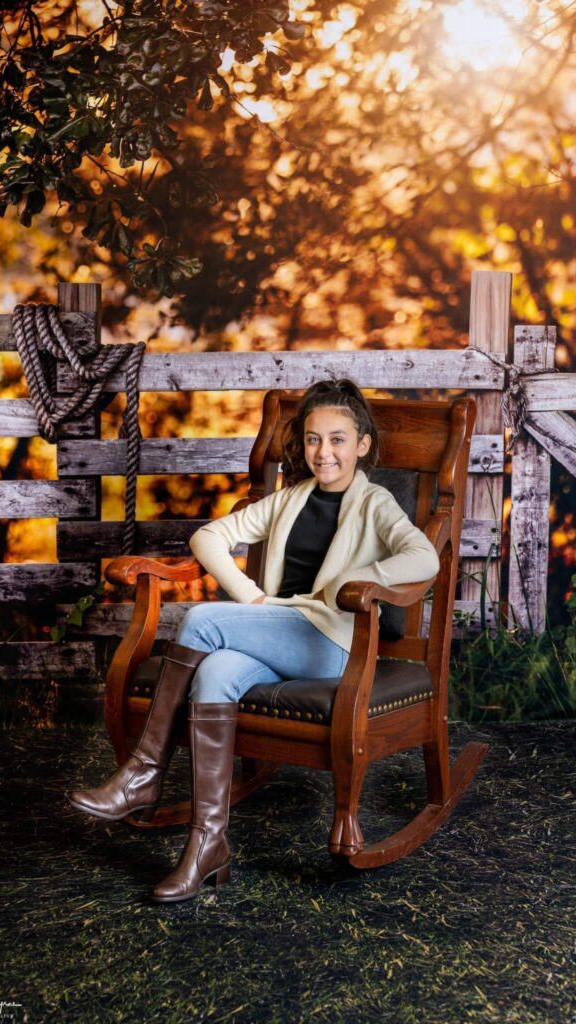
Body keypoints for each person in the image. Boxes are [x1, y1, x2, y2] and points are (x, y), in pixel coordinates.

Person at [67, 378, 440, 903]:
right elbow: (208, 537)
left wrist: (356, 582)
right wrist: (250, 596)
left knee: (200, 621)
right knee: (215, 673)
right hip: (278, 631)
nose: (324, 451)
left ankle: (143, 773)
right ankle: (207, 845)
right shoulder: (290, 499)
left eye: (337, 439)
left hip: (330, 644)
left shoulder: (375, 503)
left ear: (362, 445)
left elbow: (425, 557)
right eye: (313, 439)